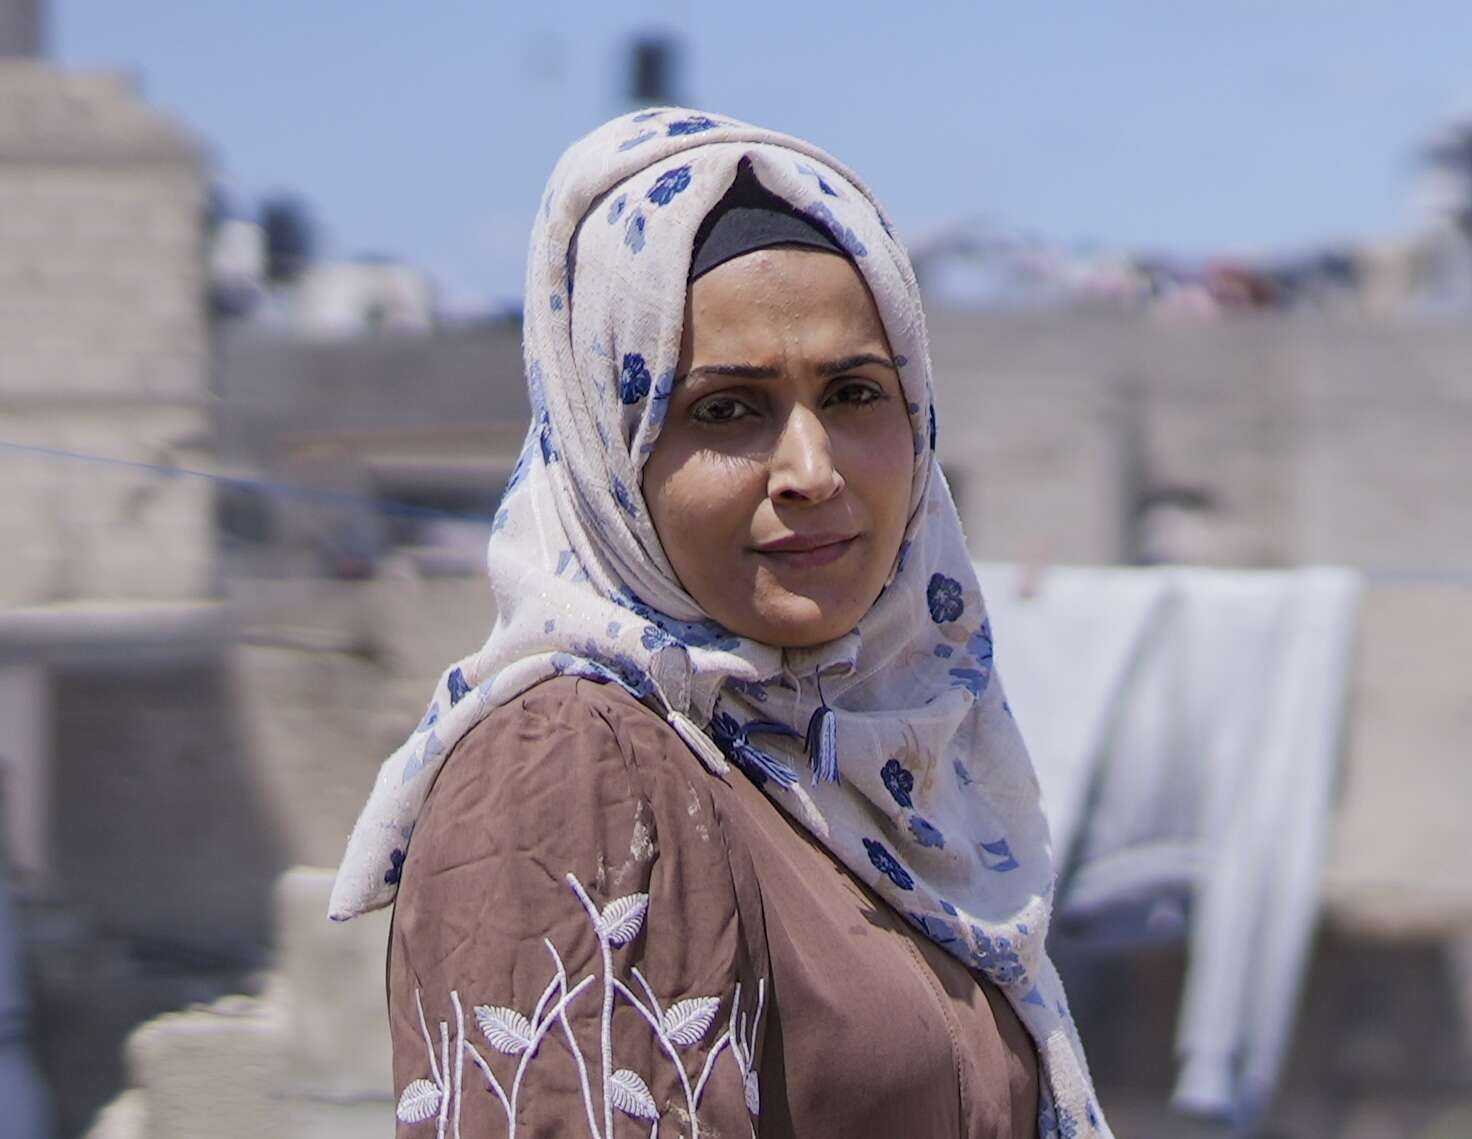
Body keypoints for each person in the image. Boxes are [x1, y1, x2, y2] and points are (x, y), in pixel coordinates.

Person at [331, 107, 1111, 1139]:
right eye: (726, 409)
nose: (811, 471)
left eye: (854, 393)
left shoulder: (863, 783)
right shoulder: (575, 767)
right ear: (611, 449)